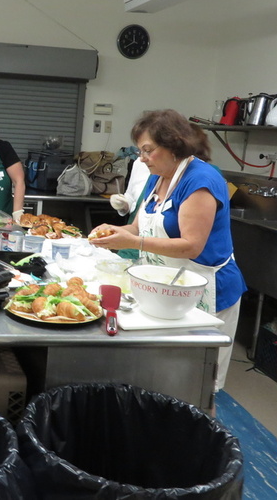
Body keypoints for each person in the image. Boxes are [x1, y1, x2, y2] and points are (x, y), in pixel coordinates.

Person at [89, 109, 245, 392]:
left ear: (173, 145)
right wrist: (112, 232)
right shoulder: (158, 177)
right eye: (140, 151)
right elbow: (138, 228)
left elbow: (191, 246)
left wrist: (132, 243)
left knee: (195, 384)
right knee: (160, 375)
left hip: (205, 291)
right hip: (165, 287)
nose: (142, 158)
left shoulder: (201, 181)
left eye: (148, 150)